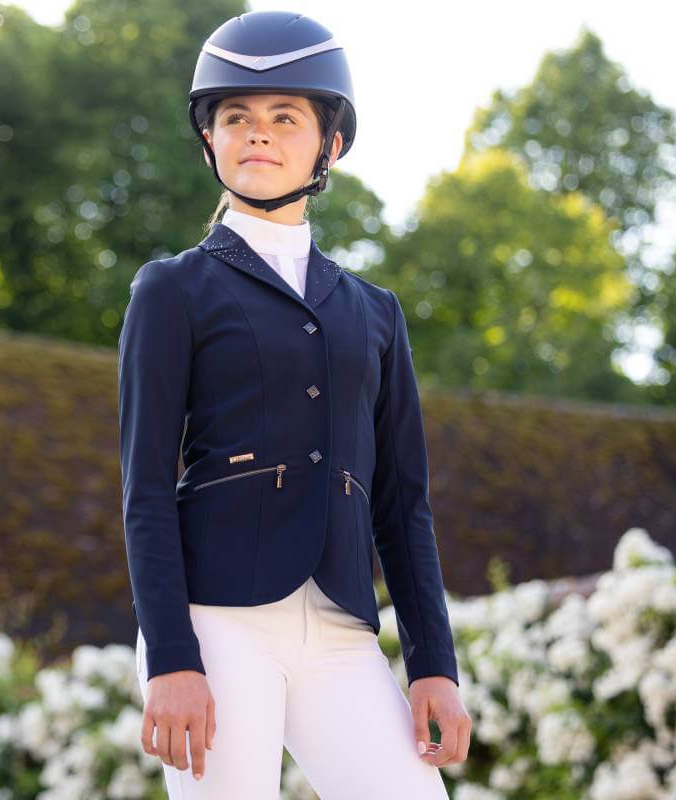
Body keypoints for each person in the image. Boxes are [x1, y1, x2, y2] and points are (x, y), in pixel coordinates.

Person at [117, 10, 471, 799]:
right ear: (210, 139)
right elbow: (143, 488)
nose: (258, 134)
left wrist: (433, 667)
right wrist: (172, 657)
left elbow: (403, 503)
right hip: (218, 621)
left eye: (285, 118)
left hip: (342, 631)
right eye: (236, 117)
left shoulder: (375, 311)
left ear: (330, 145)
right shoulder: (171, 289)